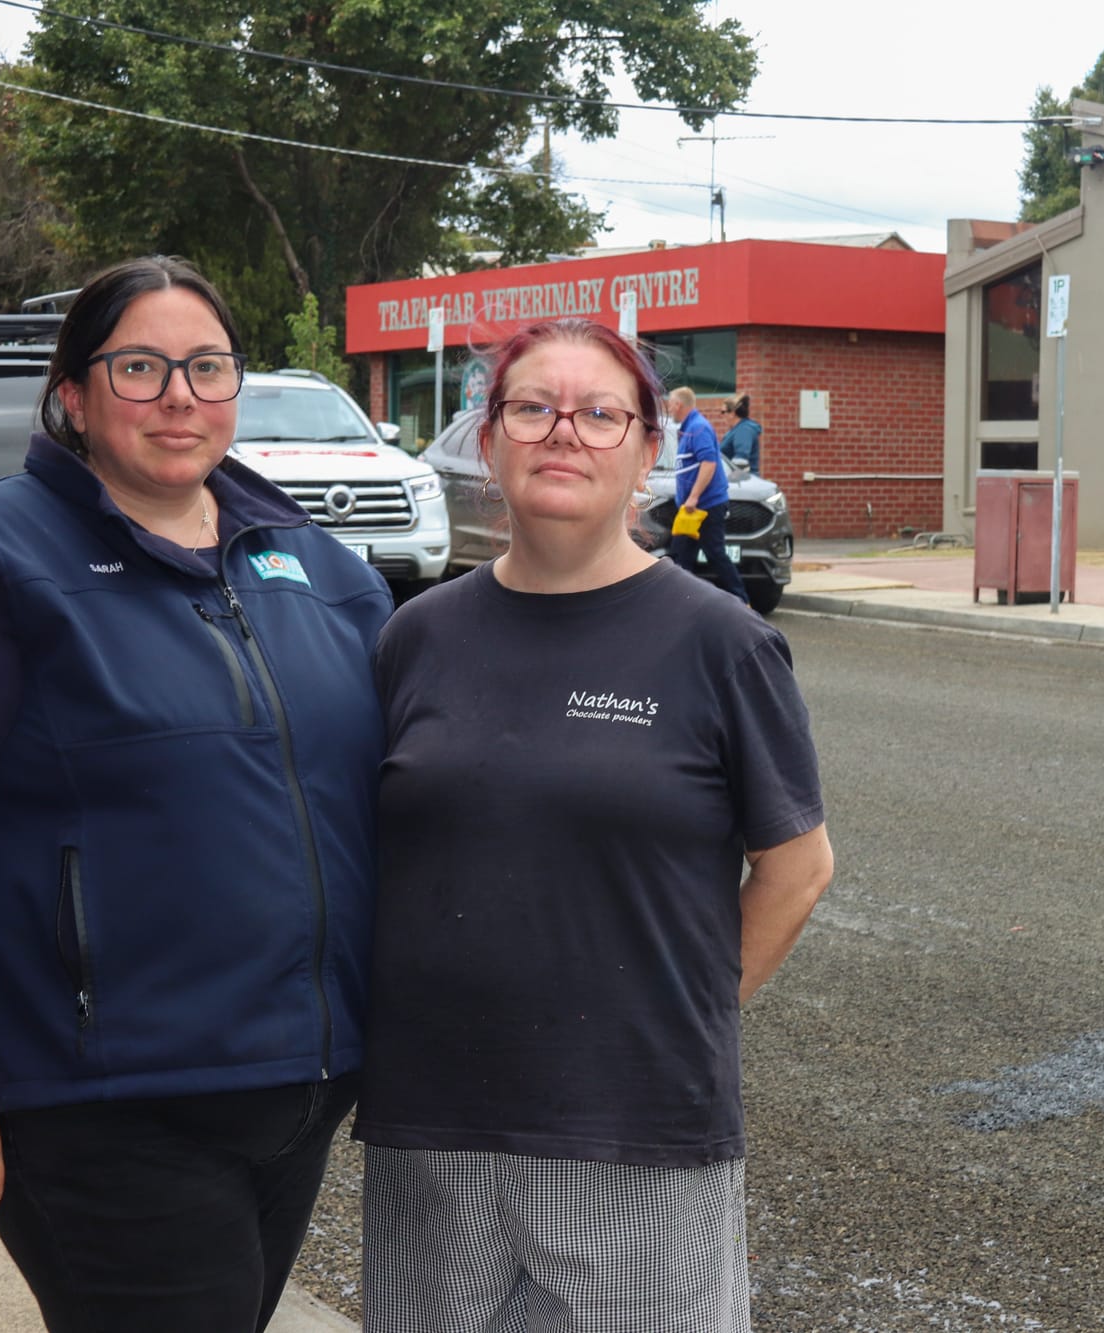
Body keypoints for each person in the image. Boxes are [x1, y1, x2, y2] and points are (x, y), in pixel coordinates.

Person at [0, 256, 393, 1332]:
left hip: (299, 1082)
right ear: (74, 397)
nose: (179, 396)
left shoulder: (316, 567)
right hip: (107, 1097)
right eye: (139, 367)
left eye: (207, 365)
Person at [356, 317, 835, 1332]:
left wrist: (674, 1016)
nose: (561, 433)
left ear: (649, 449)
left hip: (634, 1123)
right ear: (488, 441)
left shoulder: (721, 645)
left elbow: (795, 867)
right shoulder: (415, 638)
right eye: (531, 408)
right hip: (432, 1122)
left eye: (598, 413)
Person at [663, 384, 751, 603]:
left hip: (705, 506)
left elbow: (709, 464)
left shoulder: (699, 428)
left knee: (714, 553)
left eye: (670, 404)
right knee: (682, 554)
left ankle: (741, 599)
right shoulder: (688, 428)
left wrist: (693, 497)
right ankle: (683, 602)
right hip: (691, 509)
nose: (669, 409)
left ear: (678, 404)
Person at [719, 391, 761, 475]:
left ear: (732, 413)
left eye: (723, 412)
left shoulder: (744, 430)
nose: (722, 415)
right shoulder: (737, 430)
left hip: (744, 484)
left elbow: (741, 461)